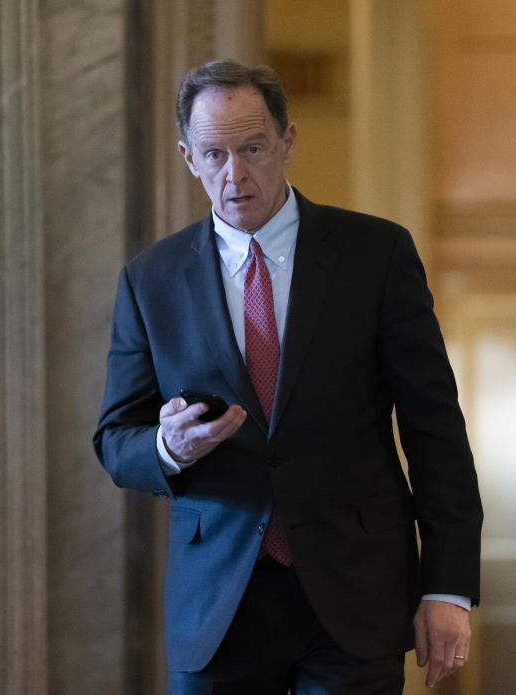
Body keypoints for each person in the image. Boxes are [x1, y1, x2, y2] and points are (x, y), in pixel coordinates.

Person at [94, 59, 482, 694]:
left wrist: (448, 586)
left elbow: (435, 429)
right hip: (217, 604)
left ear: (287, 142)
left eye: (252, 148)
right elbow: (115, 441)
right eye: (214, 154)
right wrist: (168, 447)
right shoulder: (151, 279)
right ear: (188, 158)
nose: (235, 174)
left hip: (355, 596)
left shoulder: (375, 254)